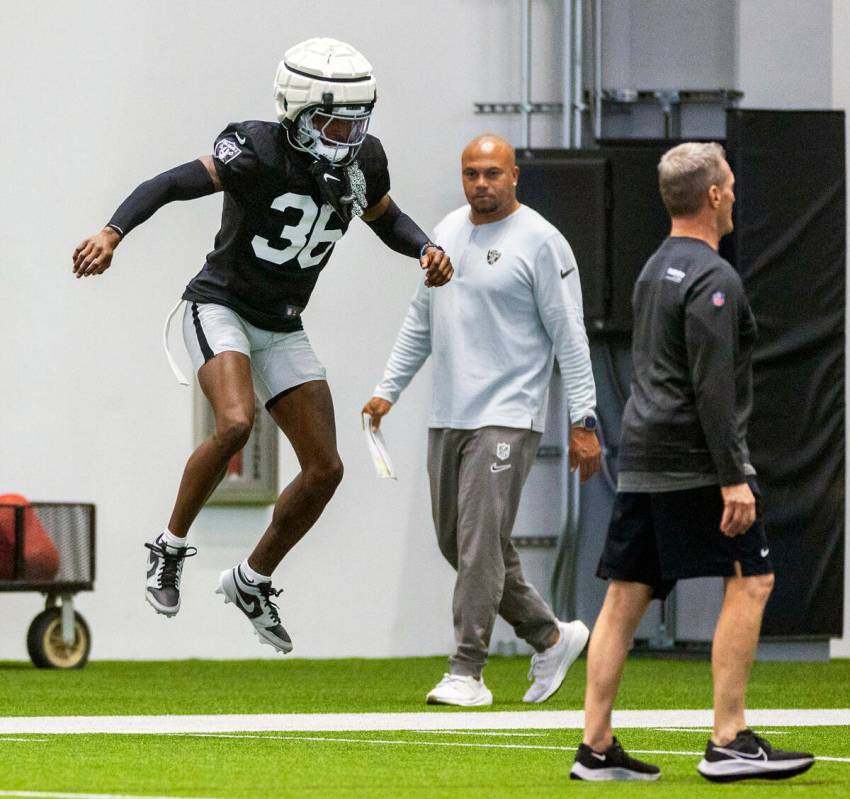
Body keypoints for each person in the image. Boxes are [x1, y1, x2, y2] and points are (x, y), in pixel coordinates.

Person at [71, 38, 453, 654]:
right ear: (296, 110)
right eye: (333, 120)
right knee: (235, 423)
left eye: (357, 120)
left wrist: (425, 248)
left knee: (326, 468)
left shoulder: (364, 160)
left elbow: (385, 217)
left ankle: (251, 580)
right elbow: (170, 183)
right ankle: (169, 547)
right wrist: (114, 231)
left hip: (283, 322)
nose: (347, 133)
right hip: (219, 304)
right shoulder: (256, 148)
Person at [570, 143, 814, 782]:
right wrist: (734, 476)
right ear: (712, 195)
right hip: (694, 463)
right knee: (752, 579)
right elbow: (713, 388)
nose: (733, 194)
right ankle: (729, 739)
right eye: (728, 184)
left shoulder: (655, 269)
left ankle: (595, 747)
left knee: (624, 595)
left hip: (645, 456)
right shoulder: (714, 278)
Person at [362, 134, 601, 706]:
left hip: (508, 416)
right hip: (449, 415)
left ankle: (466, 671)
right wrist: (385, 391)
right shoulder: (444, 233)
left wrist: (584, 418)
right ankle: (550, 635)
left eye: (493, 173)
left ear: (514, 175)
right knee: (462, 542)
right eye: (471, 173)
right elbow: (421, 319)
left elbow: (571, 335)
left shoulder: (542, 242)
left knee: (477, 545)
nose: (482, 184)